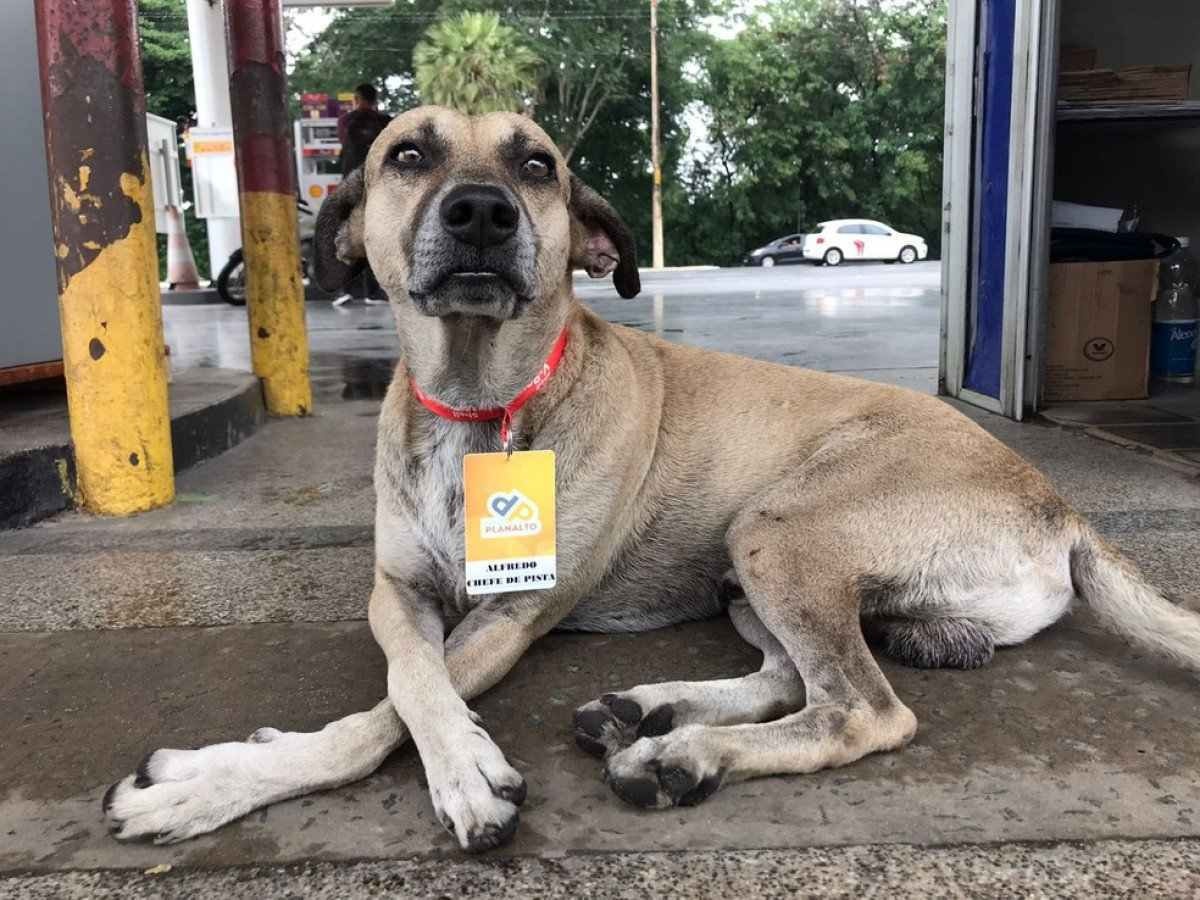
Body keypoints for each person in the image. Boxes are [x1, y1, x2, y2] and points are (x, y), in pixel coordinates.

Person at [333, 84, 391, 307]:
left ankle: (344, 290)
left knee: (347, 237)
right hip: (378, 187)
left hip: (350, 186)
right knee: (374, 238)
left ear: (357, 99)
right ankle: (373, 292)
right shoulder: (385, 122)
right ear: (375, 99)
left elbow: (343, 142)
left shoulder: (346, 121)